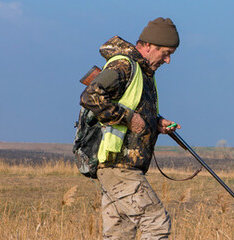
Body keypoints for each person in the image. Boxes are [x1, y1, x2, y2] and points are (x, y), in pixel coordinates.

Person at [79, 17, 182, 240]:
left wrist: (156, 122)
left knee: (119, 234)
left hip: (121, 166)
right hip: (118, 165)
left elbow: (132, 107)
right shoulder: (124, 65)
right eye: (165, 53)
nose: (168, 60)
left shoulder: (142, 73)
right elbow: (90, 96)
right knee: (156, 225)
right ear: (148, 45)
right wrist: (129, 118)